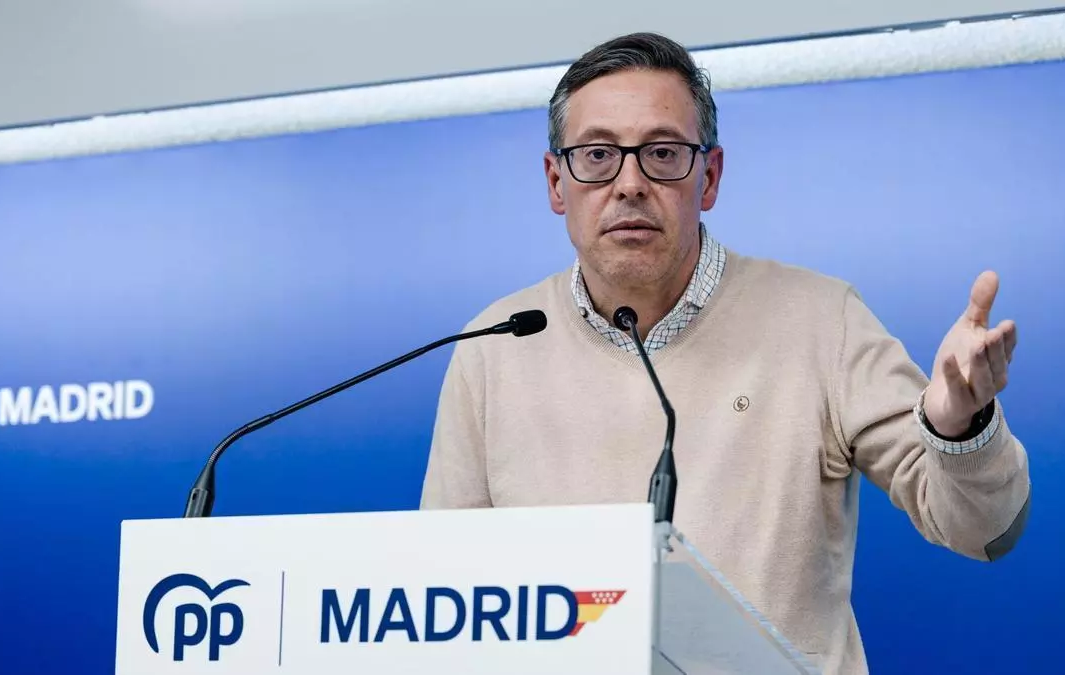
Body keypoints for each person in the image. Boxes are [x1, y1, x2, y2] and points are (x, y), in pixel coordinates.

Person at [420, 32, 1031, 675]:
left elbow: (985, 530)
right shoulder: (494, 346)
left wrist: (959, 427)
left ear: (708, 177)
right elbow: (442, 590)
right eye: (598, 155)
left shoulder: (823, 320)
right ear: (556, 182)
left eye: (662, 153)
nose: (629, 184)